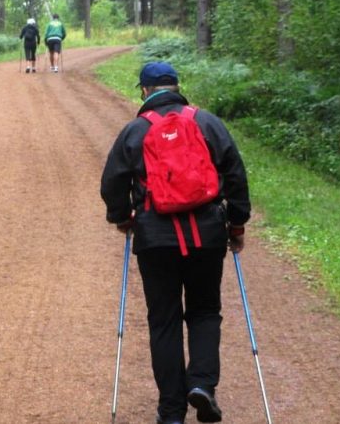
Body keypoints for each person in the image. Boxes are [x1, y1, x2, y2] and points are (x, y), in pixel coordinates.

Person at [100, 61, 250, 424]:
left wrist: (123, 219)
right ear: (177, 86)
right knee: (204, 311)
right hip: (207, 234)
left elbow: (112, 184)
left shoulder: (135, 130)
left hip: (155, 238)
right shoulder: (207, 122)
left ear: (145, 91)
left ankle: (171, 411)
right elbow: (235, 172)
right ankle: (201, 384)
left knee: (164, 321)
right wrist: (237, 223)